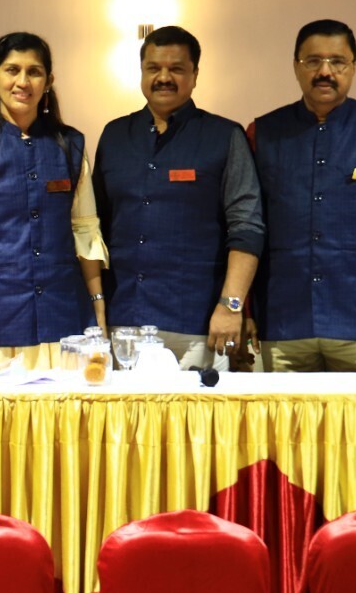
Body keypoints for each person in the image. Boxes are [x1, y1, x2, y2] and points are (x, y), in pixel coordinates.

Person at [248, 19, 356, 372]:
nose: (325, 72)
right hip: (283, 317)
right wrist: (245, 310)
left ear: (353, 67)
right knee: (284, 411)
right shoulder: (262, 133)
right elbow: (248, 229)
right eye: (313, 61)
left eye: (337, 62)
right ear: (296, 66)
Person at [92, 25, 262, 369]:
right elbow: (95, 230)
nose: (164, 78)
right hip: (124, 323)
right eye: (153, 68)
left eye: (177, 69)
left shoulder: (224, 136)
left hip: (197, 324)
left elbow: (247, 227)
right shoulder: (114, 135)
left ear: (195, 74)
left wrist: (231, 306)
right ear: (141, 72)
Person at [0, 31, 108, 366]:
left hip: (67, 321)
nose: (23, 82)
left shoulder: (71, 145)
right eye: (12, 70)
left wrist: (98, 311)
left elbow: (85, 229)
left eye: (34, 72)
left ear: (49, 81)